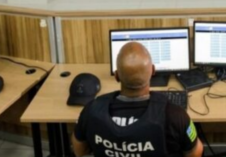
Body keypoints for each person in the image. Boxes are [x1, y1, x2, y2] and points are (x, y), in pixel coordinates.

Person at [72, 42, 203, 157]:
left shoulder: (91, 110)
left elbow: (79, 151)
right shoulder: (175, 116)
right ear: (153, 71)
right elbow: (195, 153)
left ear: (116, 76)